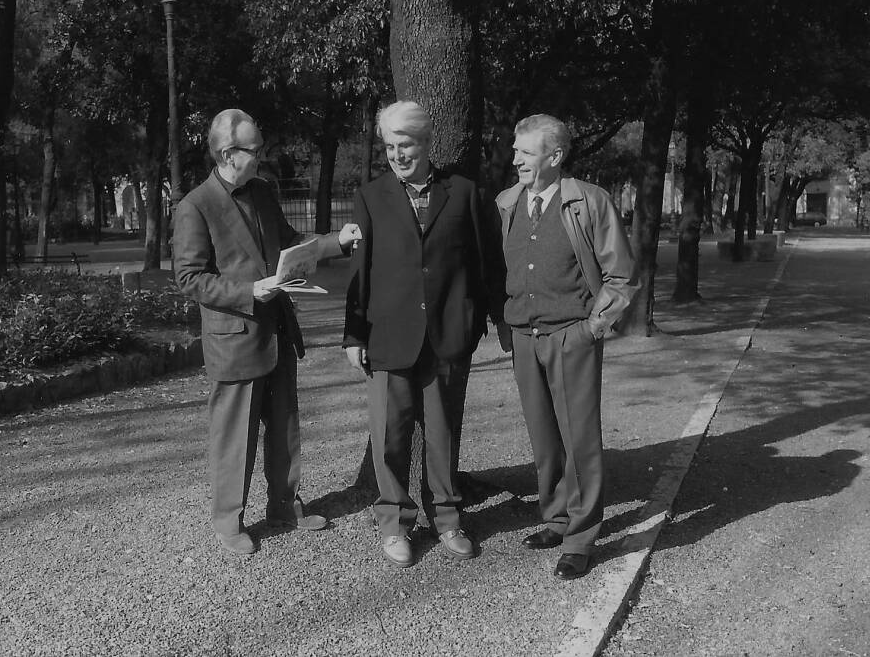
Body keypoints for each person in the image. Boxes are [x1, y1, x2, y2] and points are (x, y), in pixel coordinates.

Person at [174, 109, 361, 555]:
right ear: (226, 153)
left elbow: (290, 241)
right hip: (234, 338)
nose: (262, 157)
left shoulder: (261, 192)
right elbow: (189, 278)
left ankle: (284, 506)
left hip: (276, 329)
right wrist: (247, 291)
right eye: (254, 150)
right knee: (234, 436)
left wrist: (337, 242)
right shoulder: (194, 206)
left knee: (285, 427)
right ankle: (228, 520)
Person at [343, 101, 506, 568]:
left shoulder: (466, 193)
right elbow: (361, 272)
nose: (397, 154)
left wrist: (484, 323)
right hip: (387, 336)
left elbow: (485, 266)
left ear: (427, 142)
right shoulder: (371, 197)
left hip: (447, 335)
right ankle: (395, 523)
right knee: (391, 435)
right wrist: (353, 335)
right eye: (390, 146)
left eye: (406, 144)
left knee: (443, 434)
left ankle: (449, 518)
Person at [494, 114, 637, 580]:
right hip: (523, 338)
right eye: (515, 151)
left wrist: (593, 328)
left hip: (572, 335)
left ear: (554, 157)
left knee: (580, 441)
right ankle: (556, 519)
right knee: (544, 439)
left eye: (526, 153)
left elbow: (620, 275)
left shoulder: (589, 202)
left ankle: (580, 538)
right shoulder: (506, 203)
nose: (516, 160)